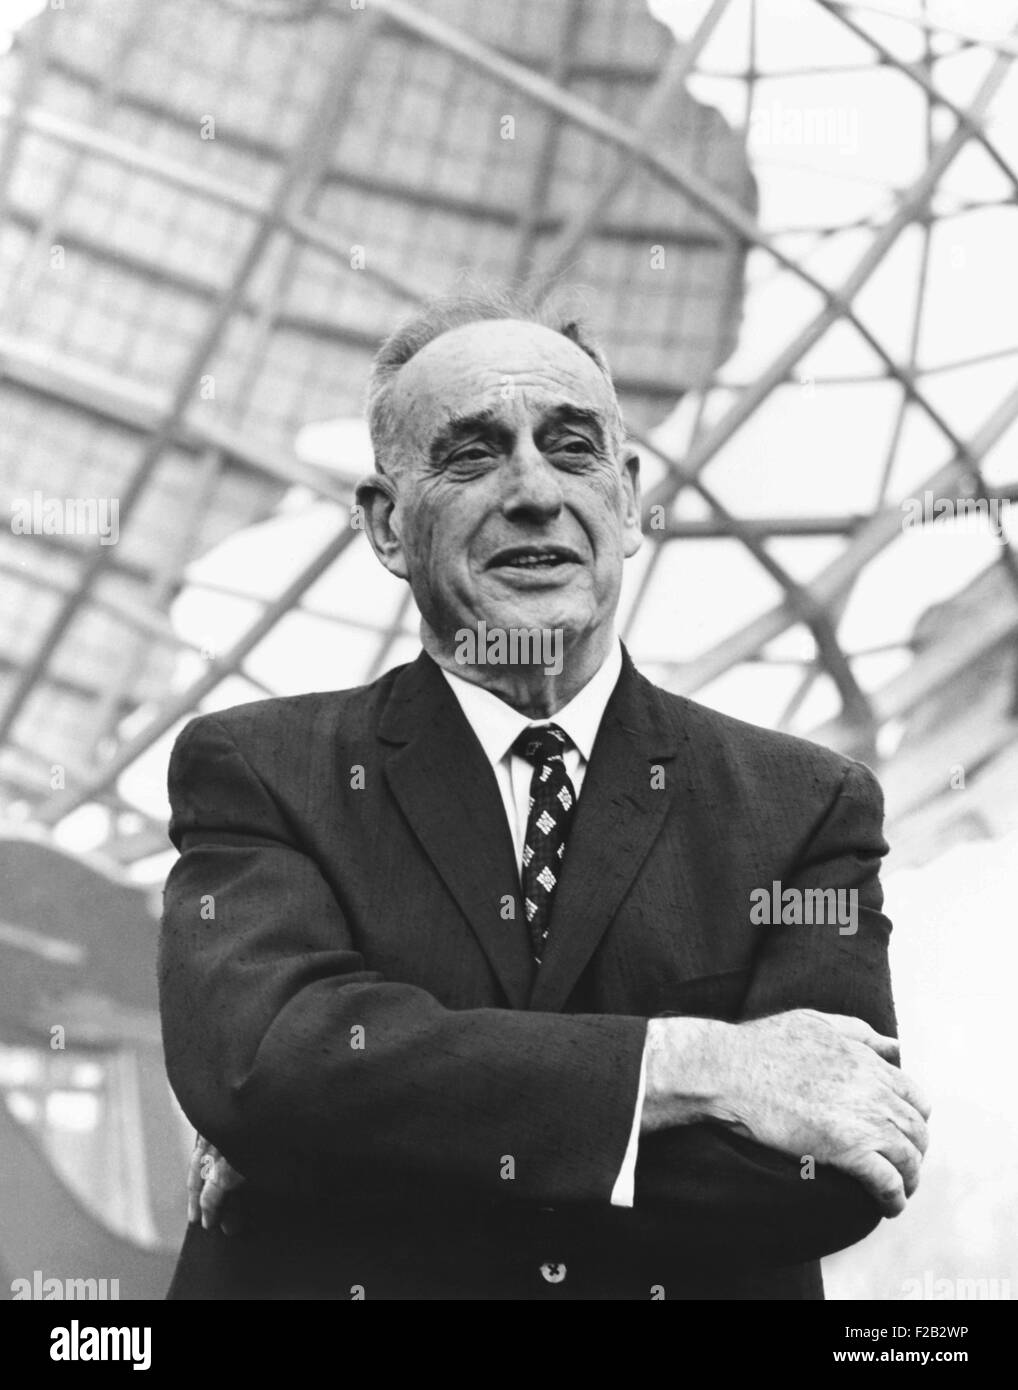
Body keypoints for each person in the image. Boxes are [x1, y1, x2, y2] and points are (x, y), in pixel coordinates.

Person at [158, 289, 930, 1301]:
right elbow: (268, 1066)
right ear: (386, 527)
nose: (533, 491)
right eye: (472, 455)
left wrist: (331, 1155)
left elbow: (828, 1169)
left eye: (572, 449)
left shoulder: (805, 806)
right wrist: (689, 1066)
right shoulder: (259, 770)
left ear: (629, 500)